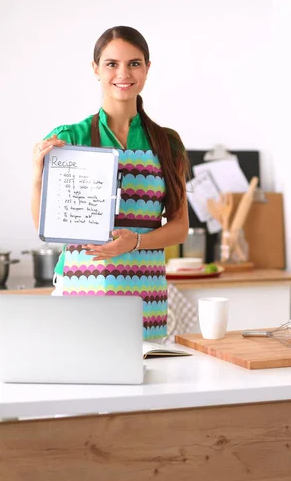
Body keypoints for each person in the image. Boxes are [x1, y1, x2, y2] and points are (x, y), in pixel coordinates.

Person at [31, 26, 189, 340]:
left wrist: (137, 242)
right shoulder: (69, 138)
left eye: (134, 63)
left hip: (144, 288)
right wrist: (38, 176)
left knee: (146, 377)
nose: (123, 73)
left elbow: (180, 227)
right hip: (81, 283)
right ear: (96, 69)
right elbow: (45, 225)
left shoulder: (167, 143)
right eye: (111, 64)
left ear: (146, 69)